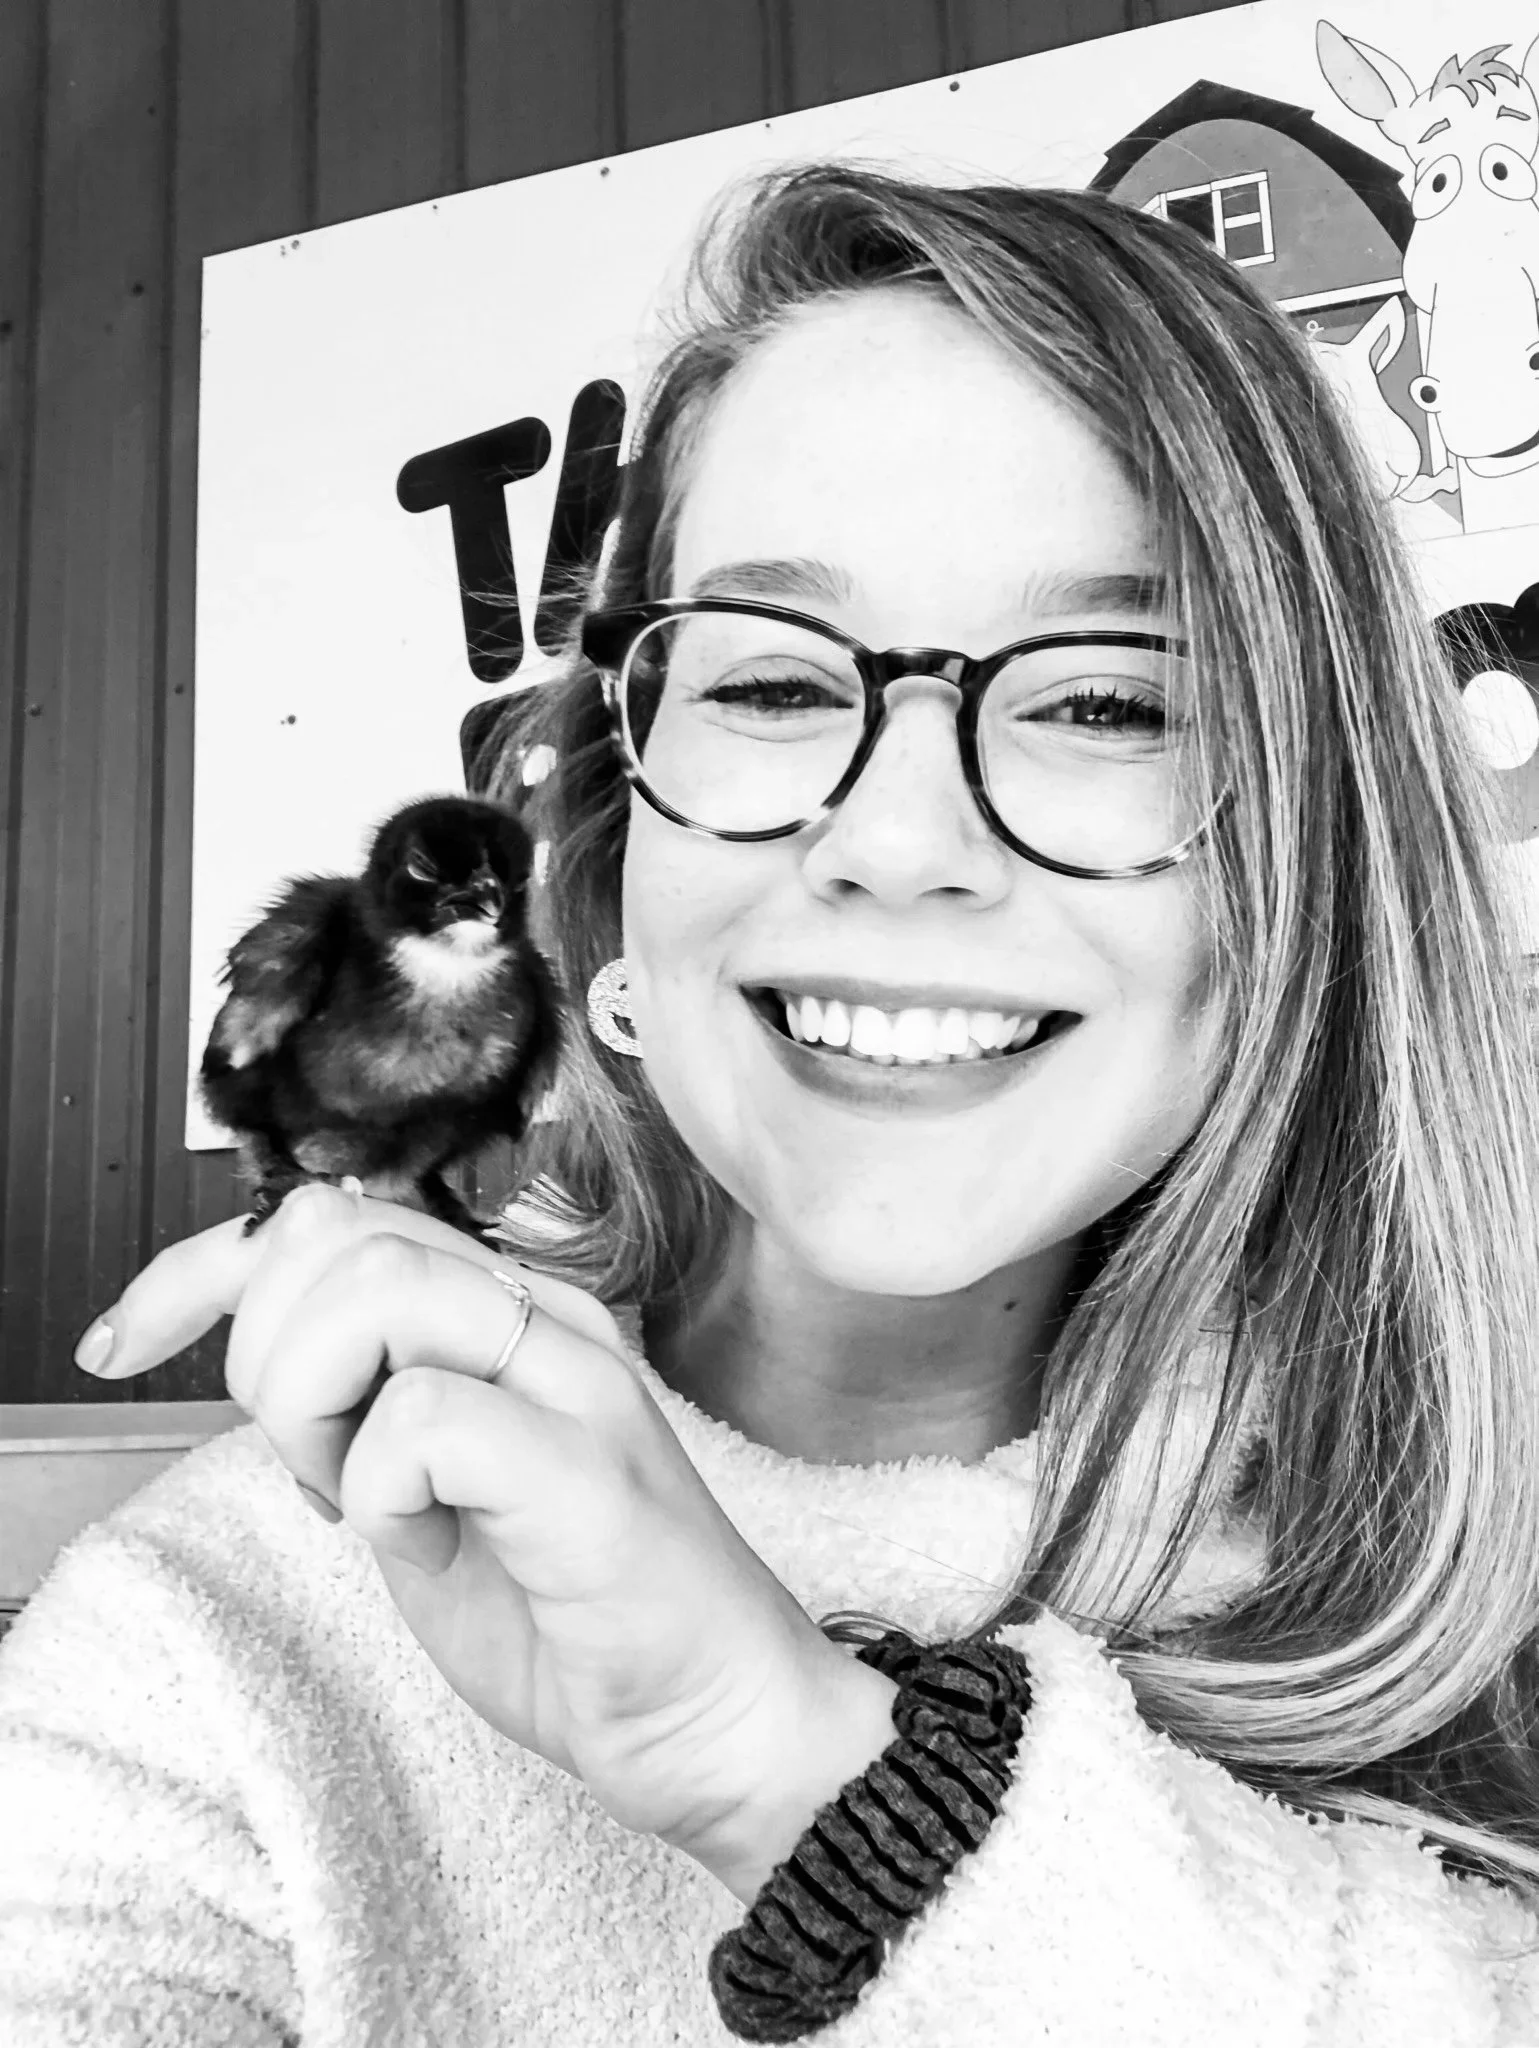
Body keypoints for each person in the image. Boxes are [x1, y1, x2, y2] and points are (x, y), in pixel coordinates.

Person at [3, 159, 1539, 2046]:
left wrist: (811, 1784)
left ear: (1321, 856)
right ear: (612, 853)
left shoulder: (1489, 1580)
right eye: (774, 684)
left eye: (1110, 704)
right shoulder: (218, 1641)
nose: (897, 840)